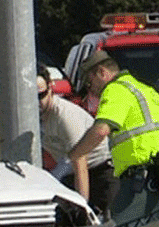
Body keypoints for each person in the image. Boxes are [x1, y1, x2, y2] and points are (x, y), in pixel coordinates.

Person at [68, 50, 159, 225]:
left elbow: (101, 130)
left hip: (140, 183)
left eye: (90, 83)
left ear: (102, 72)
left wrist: (74, 154)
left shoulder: (115, 90)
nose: (91, 90)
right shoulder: (147, 90)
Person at [37, 64, 117, 216]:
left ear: (51, 88)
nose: (36, 102)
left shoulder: (64, 116)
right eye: (30, 97)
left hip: (100, 172)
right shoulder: (29, 116)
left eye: (40, 95)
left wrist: (82, 206)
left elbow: (80, 159)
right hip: (70, 172)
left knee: (92, 224)